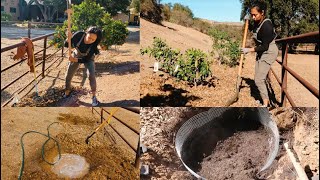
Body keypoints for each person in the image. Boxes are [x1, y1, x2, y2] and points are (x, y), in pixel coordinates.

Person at [240, 1, 278, 107]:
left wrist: (249, 50)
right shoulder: (258, 22)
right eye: (251, 15)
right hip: (262, 51)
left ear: (262, 13)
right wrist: (247, 21)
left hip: (269, 51)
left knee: (258, 79)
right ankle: (264, 98)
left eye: (255, 15)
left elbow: (265, 46)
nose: (253, 17)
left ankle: (265, 104)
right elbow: (254, 29)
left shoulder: (267, 26)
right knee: (258, 75)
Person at [64, 26, 102, 106]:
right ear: (86, 33)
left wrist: (75, 60)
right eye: (89, 37)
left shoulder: (93, 45)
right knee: (69, 74)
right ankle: (67, 91)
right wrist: (68, 38)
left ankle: (93, 97)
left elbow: (86, 59)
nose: (90, 40)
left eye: (93, 40)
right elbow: (67, 45)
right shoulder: (79, 35)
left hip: (88, 58)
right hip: (76, 54)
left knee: (91, 75)